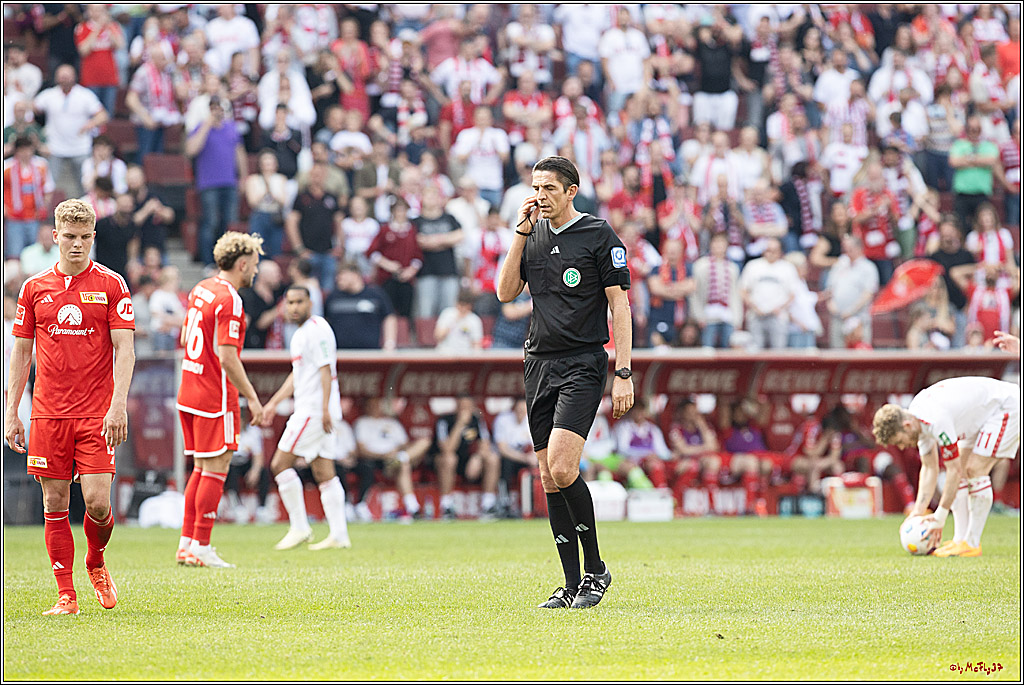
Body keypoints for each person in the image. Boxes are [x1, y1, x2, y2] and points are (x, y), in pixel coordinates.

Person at [496, 156, 634, 609]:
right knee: (548, 478)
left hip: (583, 362)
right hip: (537, 362)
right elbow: (504, 292)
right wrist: (519, 232)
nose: (540, 196)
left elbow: (621, 307)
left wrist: (624, 371)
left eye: (549, 188)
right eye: (536, 187)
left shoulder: (598, 235)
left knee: (561, 466)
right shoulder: (530, 233)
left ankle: (596, 569)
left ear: (571, 191)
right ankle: (573, 583)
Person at [5, 198, 136, 615]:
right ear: (55, 236)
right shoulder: (34, 288)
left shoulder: (113, 284)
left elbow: (125, 351)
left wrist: (118, 406)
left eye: (84, 238)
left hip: (97, 412)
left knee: (97, 502)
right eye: (70, 237)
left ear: (93, 237)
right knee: (54, 503)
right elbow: (21, 355)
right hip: (48, 413)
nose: (77, 245)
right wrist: (12, 411)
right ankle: (66, 596)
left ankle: (95, 561)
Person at [175, 232, 266, 568]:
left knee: (200, 468)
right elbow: (228, 357)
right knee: (216, 468)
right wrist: (253, 399)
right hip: (215, 395)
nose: (255, 271)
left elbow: (185, 336)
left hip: (189, 389)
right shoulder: (230, 300)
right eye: (254, 265)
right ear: (242, 263)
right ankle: (201, 544)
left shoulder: (201, 288)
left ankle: (187, 543)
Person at [873, 377, 1020, 558]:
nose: (903, 447)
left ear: (906, 425)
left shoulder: (935, 420)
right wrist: (917, 513)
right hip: (981, 416)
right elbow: (929, 468)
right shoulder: (918, 419)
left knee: (974, 469)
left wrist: (939, 517)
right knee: (965, 469)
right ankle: (960, 540)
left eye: (899, 441)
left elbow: (954, 471)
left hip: (1006, 406)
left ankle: (972, 543)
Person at [260, 286, 351, 551]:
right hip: (315, 409)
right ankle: (339, 534)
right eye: (290, 302)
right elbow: (297, 376)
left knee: (279, 464)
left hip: (312, 411)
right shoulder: (299, 335)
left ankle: (299, 527)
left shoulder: (317, 328)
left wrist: (324, 409)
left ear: (311, 303)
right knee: (324, 471)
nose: (294, 307)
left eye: (299, 301)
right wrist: (274, 403)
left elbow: (326, 370)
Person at [33, 64, 109, 200]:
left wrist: (90, 124)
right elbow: (31, 109)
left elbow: (103, 115)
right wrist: (40, 139)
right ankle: (48, 214)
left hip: (80, 147)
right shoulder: (50, 95)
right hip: (55, 147)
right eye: (61, 77)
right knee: (49, 185)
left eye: (67, 77)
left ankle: (82, 215)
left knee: (84, 186)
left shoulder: (85, 95)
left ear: (74, 77)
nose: (64, 80)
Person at [352, 397, 431, 522]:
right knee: (403, 464)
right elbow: (361, 450)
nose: (375, 407)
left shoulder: (392, 422)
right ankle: (413, 507)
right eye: (371, 405)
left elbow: (404, 444)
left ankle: (401, 458)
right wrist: (385, 455)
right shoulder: (362, 422)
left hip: (396, 456)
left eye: (377, 404)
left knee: (424, 443)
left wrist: (399, 451)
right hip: (378, 461)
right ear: (366, 407)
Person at [432, 395, 500, 520]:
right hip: (444, 462)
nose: (465, 411)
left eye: (468, 407)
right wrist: (460, 424)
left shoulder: (477, 420)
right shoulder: (444, 421)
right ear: (456, 407)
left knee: (492, 458)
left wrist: (477, 457)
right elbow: (447, 448)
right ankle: (446, 506)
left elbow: (485, 444)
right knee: (449, 458)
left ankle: (488, 504)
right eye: (462, 407)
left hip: (469, 461)